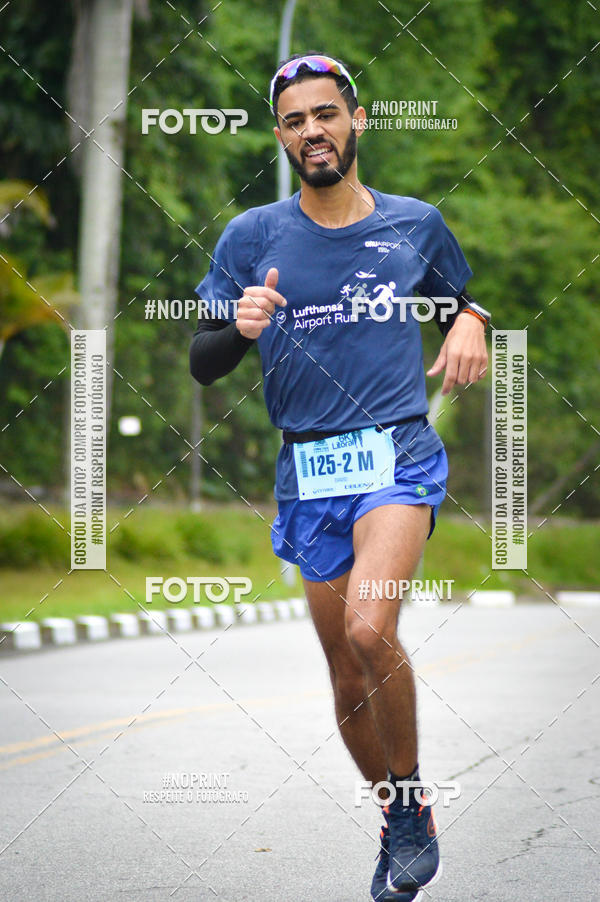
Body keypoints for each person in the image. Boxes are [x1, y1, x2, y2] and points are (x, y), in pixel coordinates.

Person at [190, 53, 489, 901]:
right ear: (281, 136)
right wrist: (240, 327)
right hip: (308, 467)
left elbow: (459, 302)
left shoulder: (414, 224)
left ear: (356, 121)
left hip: (395, 453)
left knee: (369, 629)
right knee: (347, 673)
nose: (312, 132)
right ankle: (403, 814)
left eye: (326, 114)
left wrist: (471, 320)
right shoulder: (252, 237)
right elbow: (204, 361)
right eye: (294, 121)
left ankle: (407, 803)